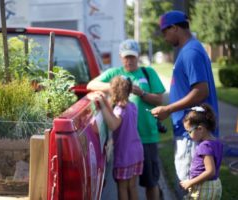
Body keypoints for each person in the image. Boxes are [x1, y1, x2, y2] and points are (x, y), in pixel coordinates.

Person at [87, 39, 165, 200]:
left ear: (137, 57)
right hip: (129, 144)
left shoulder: (147, 72)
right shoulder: (115, 73)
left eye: (132, 57)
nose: (129, 60)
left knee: (151, 182)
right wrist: (115, 87)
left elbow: (159, 100)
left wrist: (142, 93)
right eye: (126, 57)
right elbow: (91, 85)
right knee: (132, 185)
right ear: (121, 57)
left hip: (147, 136)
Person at [151, 10, 219, 187]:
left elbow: (201, 91)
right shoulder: (190, 49)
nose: (165, 38)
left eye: (165, 32)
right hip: (190, 132)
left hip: (193, 134)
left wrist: (168, 109)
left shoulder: (190, 52)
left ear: (174, 28)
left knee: (191, 188)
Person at [88, 76, 144, 200]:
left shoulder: (120, 109)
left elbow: (113, 124)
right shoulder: (132, 106)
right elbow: (115, 115)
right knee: (132, 186)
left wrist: (102, 105)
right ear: (129, 90)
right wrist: (105, 102)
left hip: (125, 155)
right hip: (136, 152)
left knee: (123, 187)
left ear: (113, 91)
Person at [181, 103, 223, 200]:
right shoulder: (216, 142)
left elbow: (210, 171)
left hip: (204, 187)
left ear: (200, 129)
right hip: (214, 184)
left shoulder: (204, 146)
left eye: (189, 131)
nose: (187, 134)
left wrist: (190, 182)